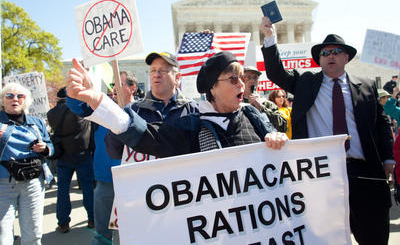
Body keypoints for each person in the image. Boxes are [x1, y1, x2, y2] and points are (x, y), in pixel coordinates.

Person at [260, 16, 394, 245]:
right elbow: (275, 73)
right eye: (325, 53)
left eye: (335, 51)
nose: (330, 55)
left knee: (374, 237)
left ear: (346, 57)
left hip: (364, 173)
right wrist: (270, 38)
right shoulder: (306, 83)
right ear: (319, 60)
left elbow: (381, 123)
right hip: (321, 174)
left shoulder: (367, 86)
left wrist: (389, 157)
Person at [67, 52, 198, 244]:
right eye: (153, 70)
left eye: (162, 70)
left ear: (178, 78)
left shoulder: (194, 110)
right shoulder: (134, 111)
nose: (156, 74)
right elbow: (113, 150)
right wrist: (117, 123)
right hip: (141, 203)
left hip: (183, 200)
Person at [66, 51, 287, 161]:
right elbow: (144, 134)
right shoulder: (192, 125)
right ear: (212, 89)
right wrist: (97, 100)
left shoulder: (252, 114)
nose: (242, 84)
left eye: (242, 78)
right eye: (233, 79)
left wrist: (280, 141)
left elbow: (283, 148)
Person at [0, 82, 53, 245]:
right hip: (4, 184)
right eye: (9, 96)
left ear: (26, 100)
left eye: (20, 96)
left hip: (33, 183)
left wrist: (44, 149)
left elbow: (51, 147)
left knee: (33, 233)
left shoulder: (36, 122)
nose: (14, 99)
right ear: (3, 100)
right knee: (3, 233)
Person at [47, 87, 95, 233]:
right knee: (88, 188)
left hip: (63, 155)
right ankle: (92, 219)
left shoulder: (51, 113)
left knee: (62, 190)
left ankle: (63, 222)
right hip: (82, 153)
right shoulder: (80, 109)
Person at [242, 65, 287, 133]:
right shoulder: (235, 103)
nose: (252, 81)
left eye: (255, 78)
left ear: (258, 82)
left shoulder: (267, 104)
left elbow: (282, 126)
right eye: (248, 77)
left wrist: (261, 108)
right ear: (241, 81)